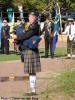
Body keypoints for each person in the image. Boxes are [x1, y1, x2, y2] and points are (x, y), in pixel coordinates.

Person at [13, 12, 41, 94]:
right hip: (27, 50)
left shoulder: (35, 26)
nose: (29, 18)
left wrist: (17, 37)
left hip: (31, 50)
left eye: (30, 16)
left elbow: (27, 35)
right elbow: (24, 34)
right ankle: (32, 89)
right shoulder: (30, 25)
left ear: (34, 17)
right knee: (30, 71)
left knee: (31, 71)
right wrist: (17, 39)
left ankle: (33, 90)